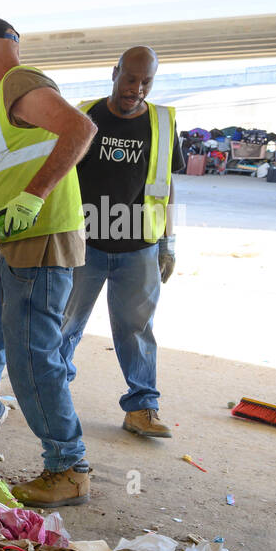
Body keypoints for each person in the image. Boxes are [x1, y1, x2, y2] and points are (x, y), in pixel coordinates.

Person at [0, 18, 98, 508]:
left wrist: (33, 198)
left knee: (33, 358)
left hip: (44, 244)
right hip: (18, 246)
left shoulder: (19, 83)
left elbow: (81, 128)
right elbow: (8, 182)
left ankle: (67, 465)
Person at [61, 46, 184, 439]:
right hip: (85, 244)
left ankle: (142, 408)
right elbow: (59, 175)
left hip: (139, 246)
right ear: (114, 72)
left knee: (137, 328)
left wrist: (169, 242)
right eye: (130, 78)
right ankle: (53, 394)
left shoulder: (163, 123)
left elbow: (169, 185)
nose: (137, 88)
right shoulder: (85, 115)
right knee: (65, 323)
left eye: (146, 81)